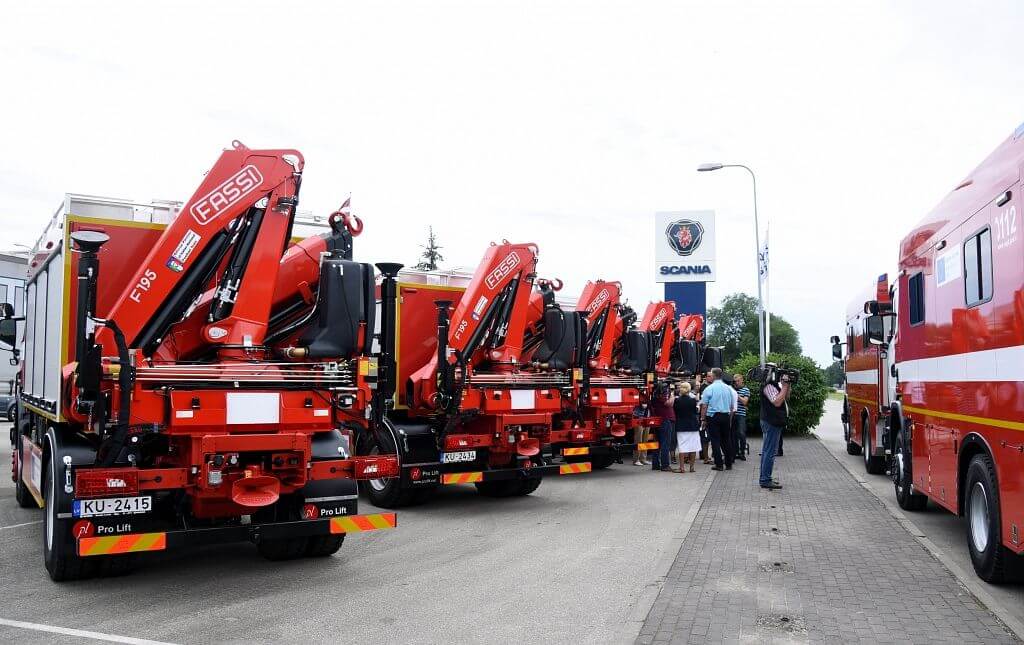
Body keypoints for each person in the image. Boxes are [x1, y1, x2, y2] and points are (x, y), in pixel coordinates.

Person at [760, 366, 792, 490]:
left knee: (768, 451)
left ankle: (765, 477)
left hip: (772, 421)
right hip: (771, 422)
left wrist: (786, 386)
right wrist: (784, 386)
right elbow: (777, 402)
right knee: (769, 452)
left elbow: (785, 397)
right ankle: (765, 479)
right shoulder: (768, 386)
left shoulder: (772, 385)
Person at [699, 368, 735, 471]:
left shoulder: (709, 389)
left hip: (713, 416)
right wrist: (730, 419)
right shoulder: (728, 388)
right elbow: (732, 406)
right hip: (726, 416)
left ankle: (719, 464)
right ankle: (728, 463)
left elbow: (704, 406)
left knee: (715, 440)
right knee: (726, 440)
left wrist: (703, 419)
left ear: (714, 376)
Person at [673, 381, 701, 472]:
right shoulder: (693, 400)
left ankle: (682, 468)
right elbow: (696, 412)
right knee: (693, 447)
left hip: (681, 425)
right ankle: (692, 467)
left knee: (682, 447)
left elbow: (676, 412)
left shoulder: (677, 401)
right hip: (693, 425)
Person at [649, 384, 675, 472]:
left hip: (658, 421)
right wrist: (673, 395)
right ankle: (665, 465)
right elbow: (669, 403)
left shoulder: (654, 397)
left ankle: (655, 464)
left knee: (657, 443)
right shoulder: (662, 396)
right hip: (665, 420)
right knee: (665, 444)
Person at [734, 374, 750, 460]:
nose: (736, 383)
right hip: (733, 414)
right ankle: (736, 452)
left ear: (742, 380)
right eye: (735, 381)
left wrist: (736, 395)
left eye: (738, 381)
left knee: (741, 433)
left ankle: (742, 452)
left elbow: (745, 402)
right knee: (734, 434)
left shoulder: (746, 390)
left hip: (741, 414)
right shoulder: (732, 389)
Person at [631, 402, 651, 466]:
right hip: (638, 418)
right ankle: (636, 460)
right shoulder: (640, 396)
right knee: (638, 439)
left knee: (645, 440)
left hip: (647, 418)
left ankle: (643, 459)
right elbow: (644, 406)